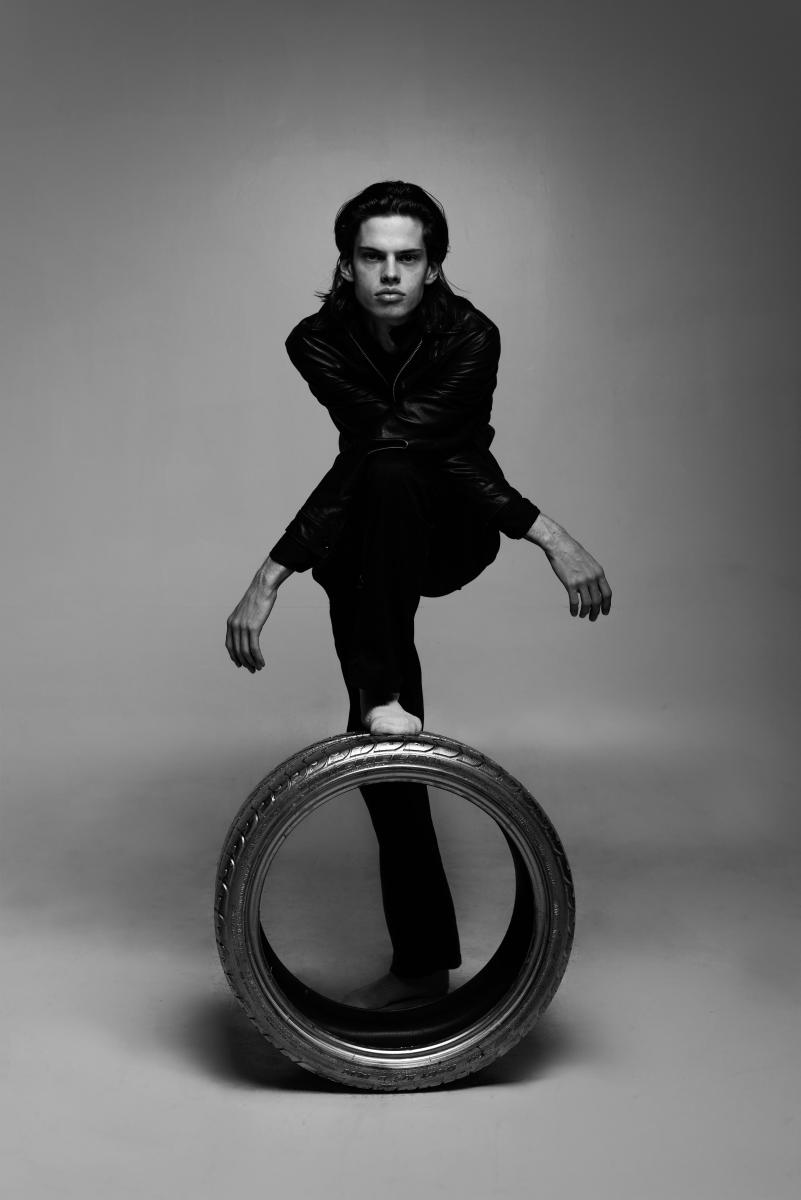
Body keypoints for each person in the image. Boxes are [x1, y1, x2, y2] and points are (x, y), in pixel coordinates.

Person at [225, 181, 611, 1010]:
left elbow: (433, 448)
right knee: (380, 763)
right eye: (372, 257)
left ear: (433, 267)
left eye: (407, 257)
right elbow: (369, 446)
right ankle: (425, 959)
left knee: (398, 469)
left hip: (451, 526)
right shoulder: (315, 341)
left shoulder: (470, 335)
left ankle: (381, 694)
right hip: (364, 546)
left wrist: (271, 573)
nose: (390, 274)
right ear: (346, 265)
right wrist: (287, 567)